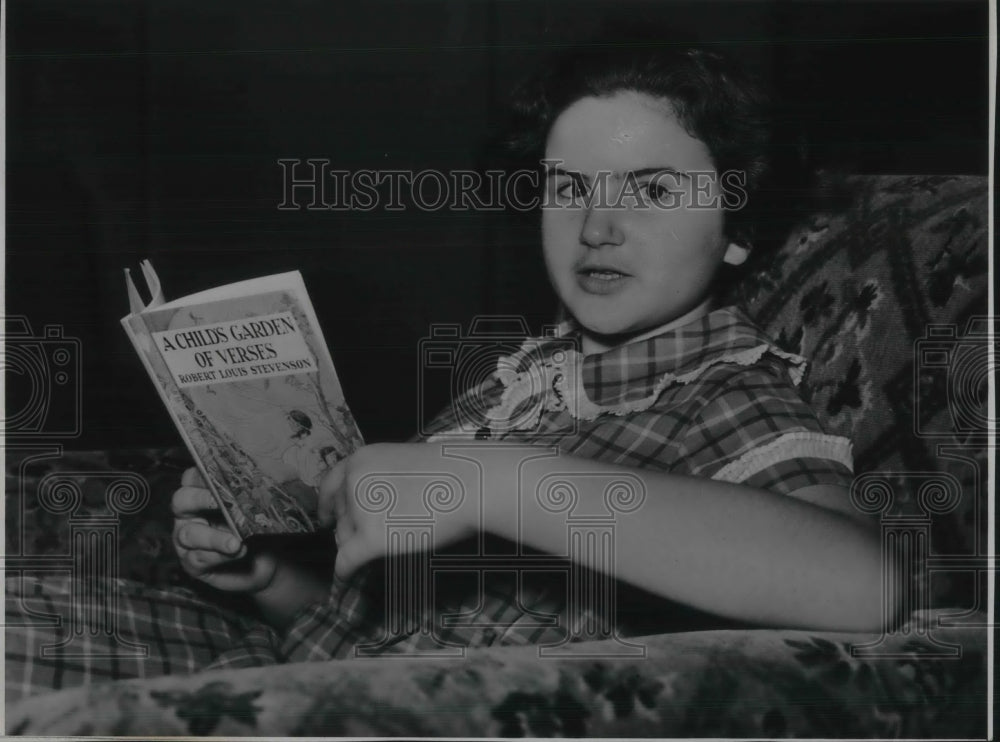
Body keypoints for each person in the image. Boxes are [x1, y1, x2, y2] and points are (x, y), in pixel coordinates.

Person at [6, 37, 894, 700]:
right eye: (568, 187)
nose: (597, 226)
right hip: (299, 676)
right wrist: (267, 577)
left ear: (738, 230)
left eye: (654, 190)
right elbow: (380, 634)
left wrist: (491, 482)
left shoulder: (722, 387)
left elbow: (865, 586)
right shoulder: (515, 385)